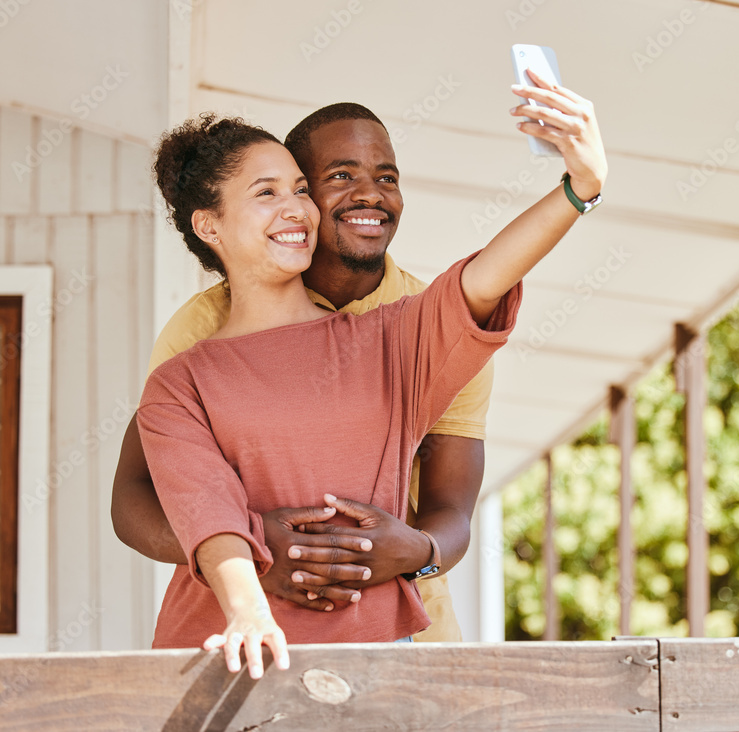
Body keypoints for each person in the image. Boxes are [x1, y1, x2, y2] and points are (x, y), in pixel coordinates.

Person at [138, 71, 605, 679]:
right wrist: (250, 608)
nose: (296, 207)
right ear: (210, 226)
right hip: (223, 660)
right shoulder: (181, 377)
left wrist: (580, 187)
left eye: (300, 189)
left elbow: (485, 277)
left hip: (370, 663)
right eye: (266, 193)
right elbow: (206, 514)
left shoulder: (391, 340)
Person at [112, 102, 497, 643]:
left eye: (386, 177)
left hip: (403, 626)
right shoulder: (204, 329)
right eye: (340, 176)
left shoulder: (426, 322)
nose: (369, 194)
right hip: (246, 632)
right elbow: (138, 492)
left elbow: (452, 508)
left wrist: (421, 552)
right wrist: (251, 551)